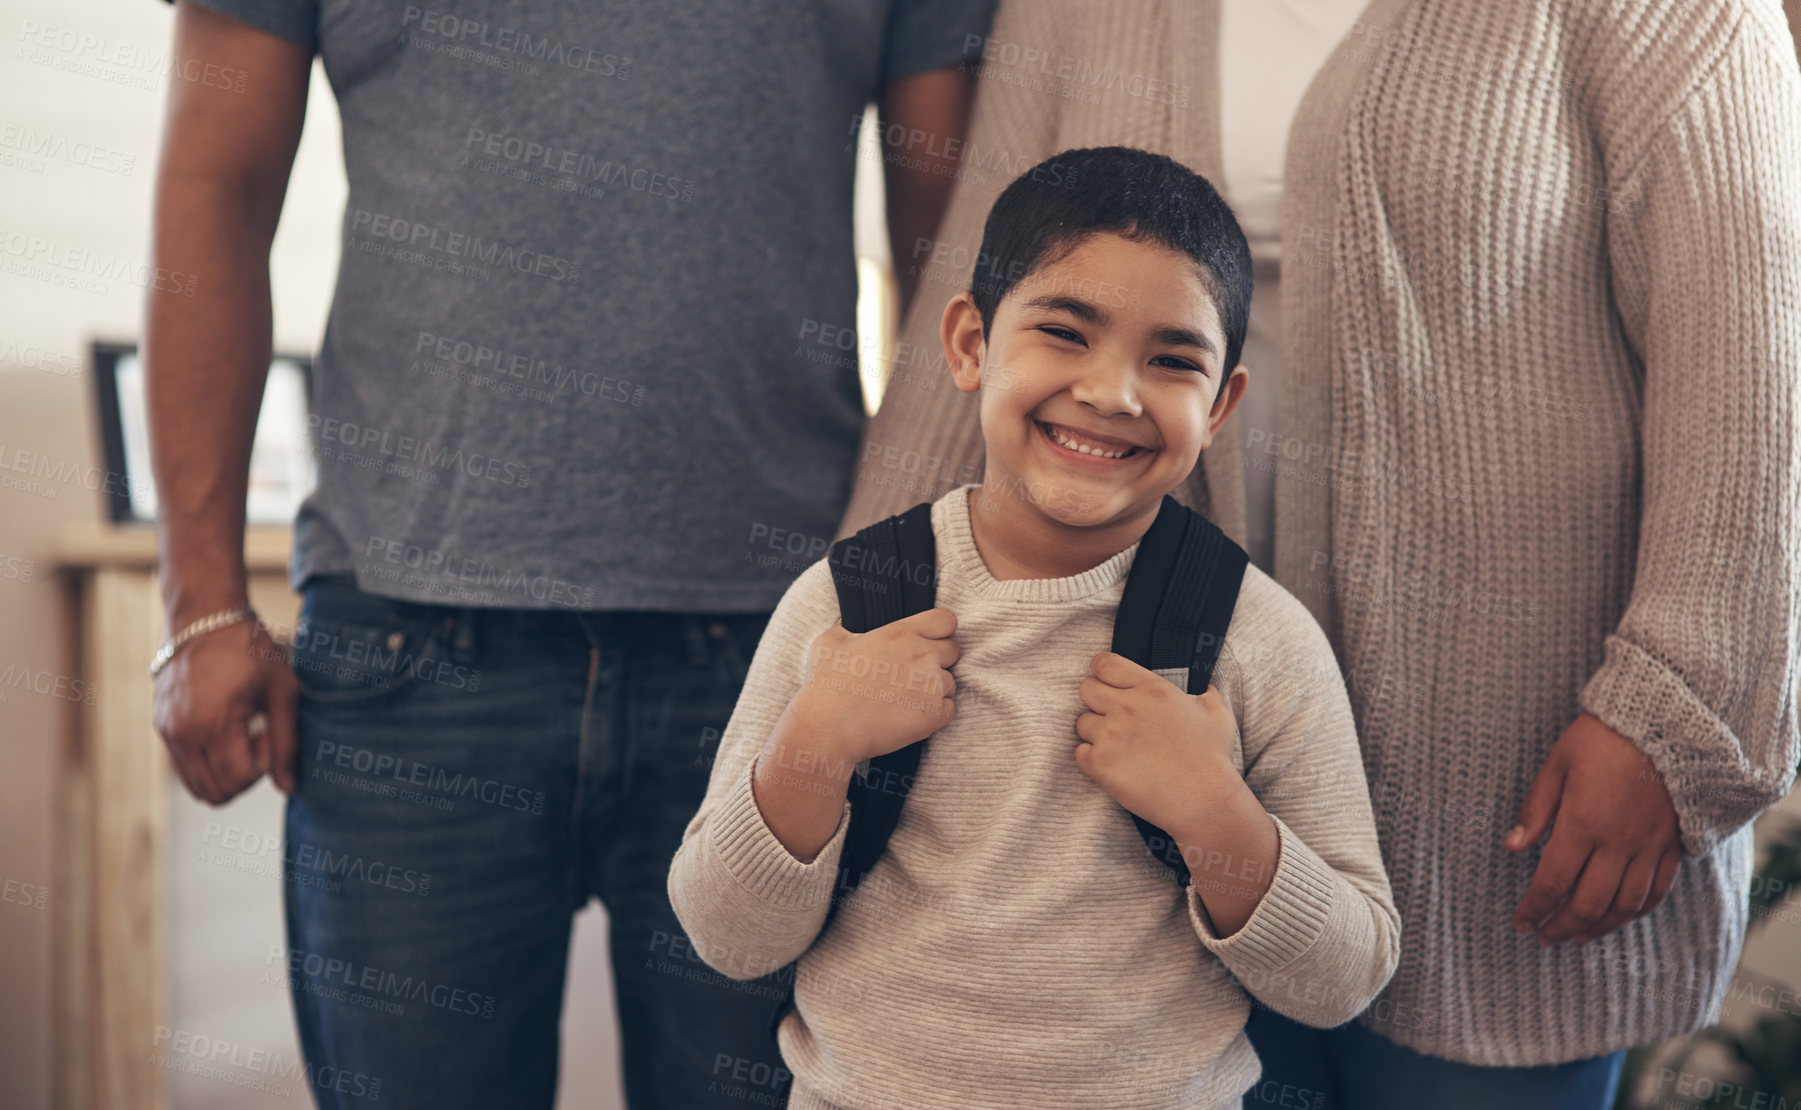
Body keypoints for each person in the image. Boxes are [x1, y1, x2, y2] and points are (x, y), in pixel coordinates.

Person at [839, 1, 1801, 1107]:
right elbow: (970, 333)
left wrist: (1674, 714)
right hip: (1137, 799)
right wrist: (858, 638)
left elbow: (1755, 366)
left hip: (1508, 799)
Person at [142, 0, 998, 1106]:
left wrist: (919, 597)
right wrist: (201, 603)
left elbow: (958, 258)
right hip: (409, 653)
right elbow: (218, 187)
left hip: (780, 661)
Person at [666, 146, 1401, 1110]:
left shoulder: (1254, 639)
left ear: (1219, 404)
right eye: (1065, 333)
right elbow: (728, 938)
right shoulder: (847, 605)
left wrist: (1211, 809)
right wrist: (816, 740)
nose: (1111, 393)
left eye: (1172, 360)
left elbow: (1343, 980)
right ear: (971, 344)